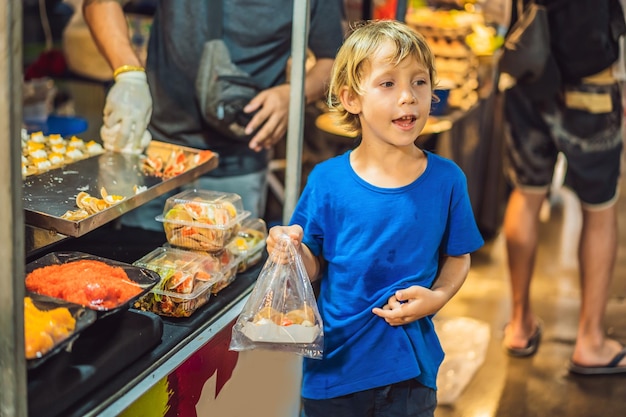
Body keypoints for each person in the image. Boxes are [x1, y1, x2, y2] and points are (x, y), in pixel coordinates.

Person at [267, 20, 484, 417]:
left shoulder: (447, 180)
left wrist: (438, 296)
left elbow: (459, 255)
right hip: (334, 369)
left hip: (409, 375)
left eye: (419, 82)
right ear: (351, 98)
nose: (408, 98)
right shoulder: (327, 181)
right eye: (388, 84)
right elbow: (314, 265)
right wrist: (292, 250)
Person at [82, 0, 344, 230]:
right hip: (152, 148)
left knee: (221, 272)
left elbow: (332, 60)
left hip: (238, 157)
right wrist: (129, 73)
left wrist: (293, 95)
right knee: (134, 264)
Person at [501, 0, 626, 374]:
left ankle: (520, 324)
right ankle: (589, 341)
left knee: (526, 194)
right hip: (593, 79)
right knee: (600, 208)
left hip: (530, 69)